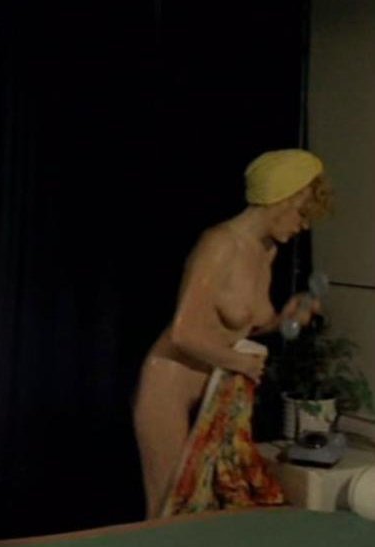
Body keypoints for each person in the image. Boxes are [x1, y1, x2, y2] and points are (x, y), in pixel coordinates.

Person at [134, 149, 331, 519]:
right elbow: (183, 333)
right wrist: (239, 362)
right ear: (281, 200)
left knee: (213, 500)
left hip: (218, 387)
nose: (303, 226)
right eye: (302, 213)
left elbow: (244, 325)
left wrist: (284, 318)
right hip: (170, 384)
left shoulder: (266, 251)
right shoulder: (219, 244)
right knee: (169, 507)